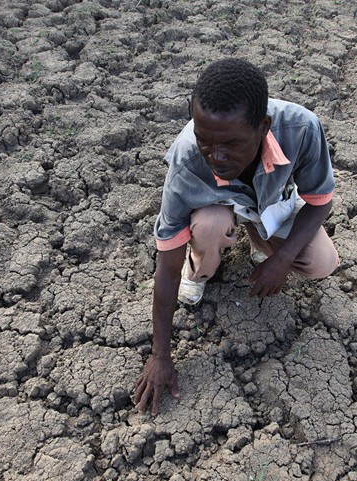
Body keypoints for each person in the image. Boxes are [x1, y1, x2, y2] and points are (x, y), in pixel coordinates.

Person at [133, 58, 339, 415]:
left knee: (322, 262)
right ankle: (201, 268)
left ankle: (261, 243)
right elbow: (165, 267)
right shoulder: (187, 164)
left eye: (231, 144)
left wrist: (282, 258)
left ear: (263, 127)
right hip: (217, 208)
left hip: (270, 202)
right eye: (205, 142)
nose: (217, 156)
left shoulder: (301, 128)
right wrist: (160, 355)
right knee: (210, 225)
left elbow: (320, 202)